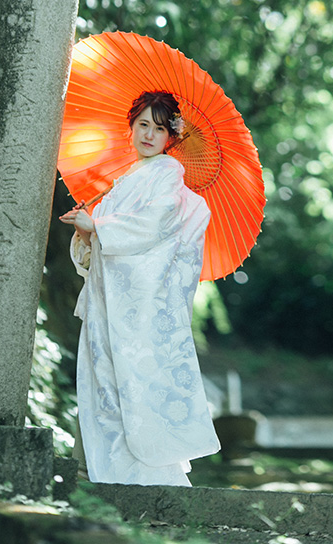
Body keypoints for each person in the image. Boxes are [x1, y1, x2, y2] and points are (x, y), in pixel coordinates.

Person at [60, 90, 220, 485]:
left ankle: (134, 478)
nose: (149, 134)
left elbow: (157, 221)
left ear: (171, 138)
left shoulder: (166, 174)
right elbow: (102, 245)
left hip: (134, 308)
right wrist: (87, 231)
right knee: (104, 383)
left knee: (127, 385)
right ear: (131, 127)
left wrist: (99, 227)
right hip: (107, 300)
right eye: (143, 124)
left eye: (160, 128)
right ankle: (102, 472)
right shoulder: (128, 177)